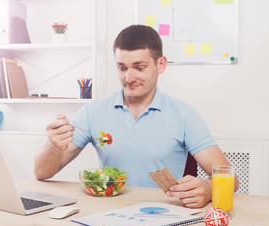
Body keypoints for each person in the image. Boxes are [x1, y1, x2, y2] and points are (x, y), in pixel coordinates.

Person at [34, 25, 239, 208]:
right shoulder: (92, 112)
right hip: (109, 213)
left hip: (164, 214)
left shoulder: (185, 115)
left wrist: (209, 188)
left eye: (139, 68)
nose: (128, 78)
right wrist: (53, 145)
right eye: (122, 68)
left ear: (160, 65)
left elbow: (232, 180)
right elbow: (41, 173)